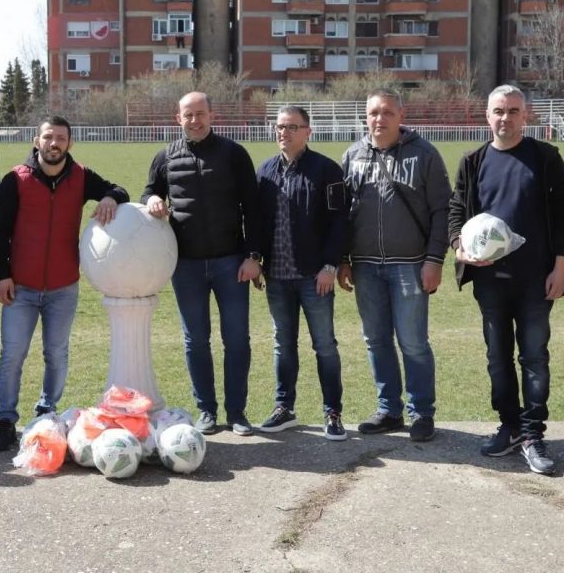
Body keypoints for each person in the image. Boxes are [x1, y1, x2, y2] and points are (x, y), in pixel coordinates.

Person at [0, 116, 129, 451]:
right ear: (36, 141)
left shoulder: (81, 176)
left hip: (63, 287)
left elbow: (119, 190)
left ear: (70, 143)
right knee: (13, 355)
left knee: (56, 353)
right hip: (21, 287)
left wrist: (110, 198)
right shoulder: (16, 179)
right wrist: (3, 275)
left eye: (61, 138)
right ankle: (6, 421)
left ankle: (46, 411)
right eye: (48, 137)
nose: (54, 144)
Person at [449, 84, 564, 475]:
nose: (506, 118)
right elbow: (456, 211)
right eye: (499, 110)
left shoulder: (545, 157)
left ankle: (533, 434)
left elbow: (562, 214)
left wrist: (560, 266)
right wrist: (459, 247)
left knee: (534, 357)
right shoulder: (473, 161)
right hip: (490, 280)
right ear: (488, 116)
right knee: (497, 357)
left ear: (525, 115)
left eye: (513, 111)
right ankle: (510, 426)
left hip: (536, 279)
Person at [141, 91, 261, 436]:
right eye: (188, 115)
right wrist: (152, 200)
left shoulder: (234, 153)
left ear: (212, 115)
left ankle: (237, 412)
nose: (195, 121)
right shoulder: (165, 156)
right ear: (178, 118)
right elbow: (148, 191)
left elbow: (253, 207)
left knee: (237, 339)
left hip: (231, 263)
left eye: (200, 114)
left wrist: (253, 256)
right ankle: (206, 410)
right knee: (196, 341)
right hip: (186, 266)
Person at [339, 88, 451, 442]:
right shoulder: (353, 155)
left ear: (402, 115)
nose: (380, 119)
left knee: (413, 342)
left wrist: (434, 259)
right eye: (374, 113)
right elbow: (341, 214)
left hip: (411, 265)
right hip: (365, 265)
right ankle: (389, 409)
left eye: (387, 112)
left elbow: (442, 210)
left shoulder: (424, 154)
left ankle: (421, 413)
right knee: (376, 340)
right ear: (366, 117)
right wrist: (343, 259)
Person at [256, 106, 348, 439]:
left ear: (308, 131)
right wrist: (256, 259)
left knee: (324, 346)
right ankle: (284, 408)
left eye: (292, 127)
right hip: (277, 277)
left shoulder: (327, 170)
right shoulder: (264, 172)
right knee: (283, 345)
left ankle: (333, 412)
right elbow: (255, 222)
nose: (284, 132)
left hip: (315, 277)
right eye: (280, 127)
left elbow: (340, 221)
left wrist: (330, 265)